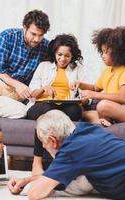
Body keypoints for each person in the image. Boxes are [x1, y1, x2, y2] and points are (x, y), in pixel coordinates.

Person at [8, 110, 125, 200]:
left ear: (53, 140)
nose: (42, 145)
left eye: (42, 141)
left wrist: (30, 185)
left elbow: (35, 194)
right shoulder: (84, 130)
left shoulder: (72, 152)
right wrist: (27, 179)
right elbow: (55, 176)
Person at [26, 34, 84, 176]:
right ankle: (37, 163)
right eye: (59, 54)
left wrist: (80, 97)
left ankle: (62, 162)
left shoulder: (77, 69)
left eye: (67, 56)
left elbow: (83, 95)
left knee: (76, 110)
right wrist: (43, 89)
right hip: (42, 105)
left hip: (65, 107)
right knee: (48, 112)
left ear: (72, 56)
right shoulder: (44, 66)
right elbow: (32, 94)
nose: (62, 59)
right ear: (54, 53)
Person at [73, 26, 125, 126]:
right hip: (115, 108)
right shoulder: (107, 71)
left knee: (103, 105)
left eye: (106, 52)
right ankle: (106, 122)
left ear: (119, 53)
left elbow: (123, 98)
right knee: (84, 113)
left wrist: (94, 95)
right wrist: (80, 84)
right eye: (102, 51)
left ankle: (105, 121)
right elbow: (96, 88)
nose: (103, 56)